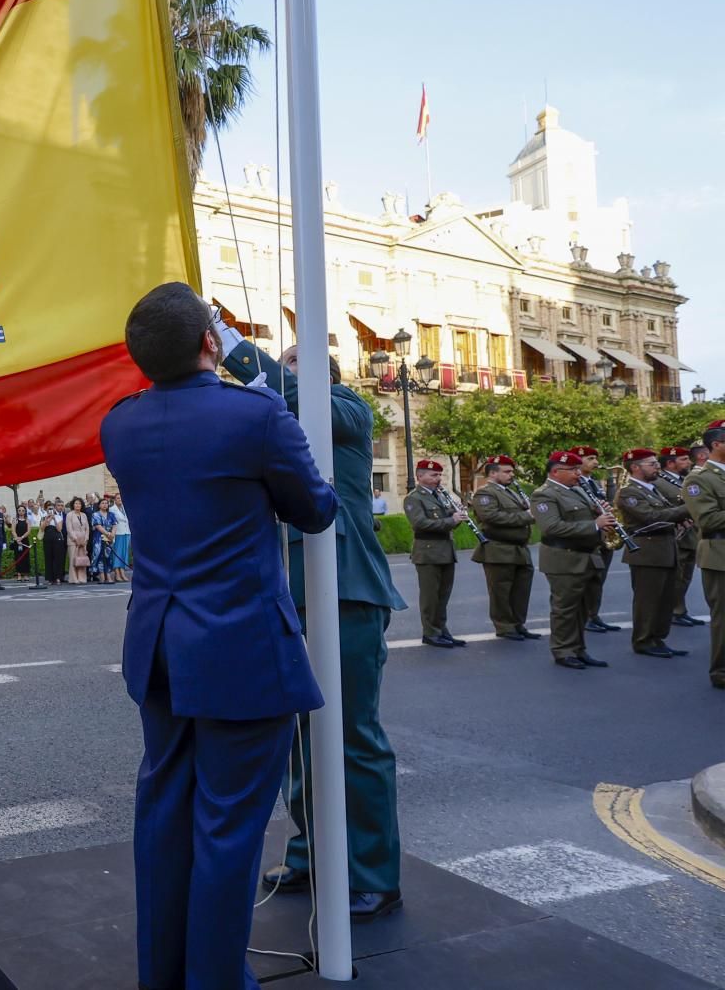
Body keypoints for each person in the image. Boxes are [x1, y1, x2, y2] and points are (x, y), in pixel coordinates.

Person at [103, 283, 338, 990]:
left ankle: (166, 977)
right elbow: (316, 509)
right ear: (211, 342)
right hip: (239, 650)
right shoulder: (255, 415)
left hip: (159, 647)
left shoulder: (120, 424)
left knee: (165, 821)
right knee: (229, 832)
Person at [217, 321, 408, 924]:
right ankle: (311, 851)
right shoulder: (275, 430)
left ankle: (374, 873)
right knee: (297, 740)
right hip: (285, 595)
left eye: (299, 360)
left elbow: (300, 397)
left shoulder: (345, 410)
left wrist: (231, 345)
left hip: (344, 588)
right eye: (285, 359)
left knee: (352, 737)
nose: (288, 366)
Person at [530, 450, 615, 671]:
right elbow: (552, 527)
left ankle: (578, 648)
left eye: (578, 469)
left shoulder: (578, 489)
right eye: (573, 470)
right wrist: (595, 524)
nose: (579, 473)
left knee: (582, 607)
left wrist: (601, 512)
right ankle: (563, 650)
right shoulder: (544, 494)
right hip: (564, 557)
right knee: (565, 608)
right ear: (556, 472)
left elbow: (586, 515)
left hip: (587, 555)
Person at [613, 447, 692, 660]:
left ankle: (658, 638)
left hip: (665, 549)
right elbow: (651, 517)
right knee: (647, 601)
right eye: (652, 463)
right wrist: (690, 507)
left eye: (656, 463)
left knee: (665, 599)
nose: (658, 466)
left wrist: (681, 518)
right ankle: (643, 641)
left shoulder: (652, 488)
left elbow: (666, 514)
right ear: (636, 467)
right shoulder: (629, 492)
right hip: (647, 551)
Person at [470, 455, 539, 641]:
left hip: (519, 548)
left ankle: (518, 623)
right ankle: (504, 626)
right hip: (499, 548)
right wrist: (527, 516)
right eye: (507, 471)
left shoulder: (511, 491)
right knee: (501, 591)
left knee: (521, 590)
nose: (512, 475)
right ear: (492, 473)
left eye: (512, 471)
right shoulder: (485, 493)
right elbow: (491, 517)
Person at [403, 459, 465, 648]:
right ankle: (430, 633)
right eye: (433, 475)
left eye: (439, 475)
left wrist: (459, 516)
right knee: (430, 597)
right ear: (420, 476)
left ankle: (441, 630)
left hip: (446, 551)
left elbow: (450, 521)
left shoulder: (441, 495)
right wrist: (451, 521)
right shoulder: (414, 498)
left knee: (443, 596)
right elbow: (420, 524)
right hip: (428, 552)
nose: (438, 478)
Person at [682, 421, 725, 690]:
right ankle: (721, 671)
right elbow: (707, 519)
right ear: (716, 445)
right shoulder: (698, 478)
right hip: (719, 554)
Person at [569, 445, 622, 633]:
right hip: (588, 536)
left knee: (599, 579)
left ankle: (594, 614)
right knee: (587, 580)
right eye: (590, 458)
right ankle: (584, 617)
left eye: (595, 458)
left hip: (603, 536)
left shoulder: (594, 482)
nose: (596, 463)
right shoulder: (574, 484)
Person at [657, 446, 703, 627]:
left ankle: (680, 609)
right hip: (677, 535)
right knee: (677, 576)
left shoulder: (685, 479)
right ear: (670, 463)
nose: (689, 462)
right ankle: (675, 610)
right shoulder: (660, 482)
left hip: (691, 534)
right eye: (683, 459)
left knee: (686, 576)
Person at [92, 496, 120, 583]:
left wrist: (112, 534)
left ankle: (108, 575)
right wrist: (107, 534)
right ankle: (102, 576)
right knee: (99, 556)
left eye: (106, 503)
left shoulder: (111, 514)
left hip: (109, 539)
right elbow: (98, 526)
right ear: (99, 505)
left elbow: (115, 525)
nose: (105, 505)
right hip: (99, 538)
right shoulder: (95, 514)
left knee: (108, 556)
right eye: (102, 503)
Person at [64, 498, 91, 584]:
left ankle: (82, 578)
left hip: (83, 541)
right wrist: (76, 539)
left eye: (79, 504)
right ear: (73, 505)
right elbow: (69, 529)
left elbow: (87, 528)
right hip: (73, 541)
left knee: (82, 560)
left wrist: (86, 539)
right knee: (73, 560)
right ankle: (73, 578)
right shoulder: (69, 515)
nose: (77, 505)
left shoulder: (84, 515)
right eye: (76, 503)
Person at [40, 501, 65, 585]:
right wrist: (48, 519)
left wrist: (54, 518)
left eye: (51, 508)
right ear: (46, 510)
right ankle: (50, 578)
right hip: (47, 539)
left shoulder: (58, 517)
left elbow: (59, 529)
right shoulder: (43, 517)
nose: (50, 510)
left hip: (57, 539)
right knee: (48, 558)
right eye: (48, 509)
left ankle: (58, 577)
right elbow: (42, 528)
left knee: (57, 558)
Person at [12, 503, 34, 585]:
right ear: (17, 511)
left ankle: (26, 575)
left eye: (23, 510)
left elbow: (28, 531)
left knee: (25, 558)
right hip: (17, 541)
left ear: (25, 511)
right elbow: (13, 530)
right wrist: (17, 538)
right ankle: (19, 574)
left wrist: (22, 537)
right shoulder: (15, 520)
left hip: (25, 541)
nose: (21, 512)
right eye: (19, 510)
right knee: (18, 557)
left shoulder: (27, 520)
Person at [111, 496, 132, 577]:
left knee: (125, 553)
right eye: (118, 498)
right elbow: (113, 522)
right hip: (118, 533)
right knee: (118, 552)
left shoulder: (125, 507)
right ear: (114, 500)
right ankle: (117, 572)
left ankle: (122, 571)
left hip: (126, 532)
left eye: (121, 498)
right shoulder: (112, 509)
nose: (120, 500)